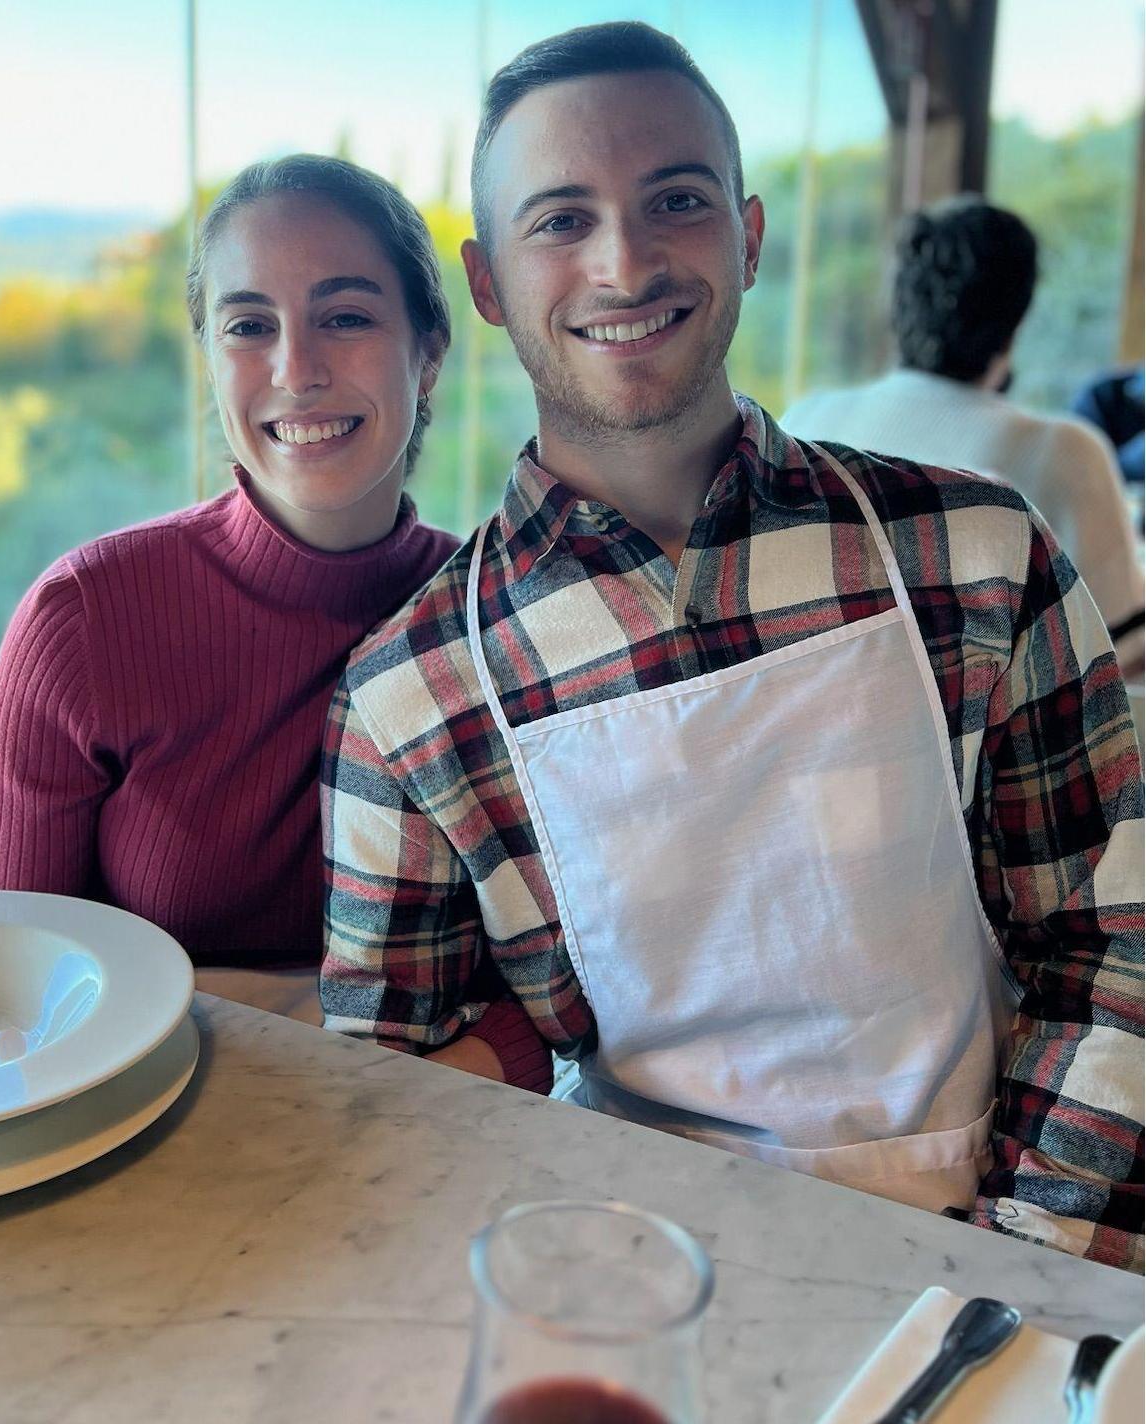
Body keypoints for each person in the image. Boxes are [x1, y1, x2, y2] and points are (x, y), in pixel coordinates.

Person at [320, 23, 1143, 1268]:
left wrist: (1012, 1255)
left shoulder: (977, 553)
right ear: (486, 285)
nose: (625, 260)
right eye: (560, 219)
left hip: (1012, 1247)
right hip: (629, 1276)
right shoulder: (412, 692)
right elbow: (392, 1099)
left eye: (677, 199)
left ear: (748, 237)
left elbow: (1111, 941)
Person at [0, 154, 546, 1084]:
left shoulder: (502, 618)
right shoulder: (81, 621)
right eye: (250, 325)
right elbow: (11, 988)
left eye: (347, 316)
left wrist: (391, 1118)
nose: (296, 368)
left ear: (430, 347)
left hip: (437, 1119)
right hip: (135, 1118)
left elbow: (568, 986)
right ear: (209, 357)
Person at [783, 198, 1144, 674]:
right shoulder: (1061, 451)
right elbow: (1123, 650)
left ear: (898, 305)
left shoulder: (805, 418)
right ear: (1017, 318)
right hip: (978, 740)